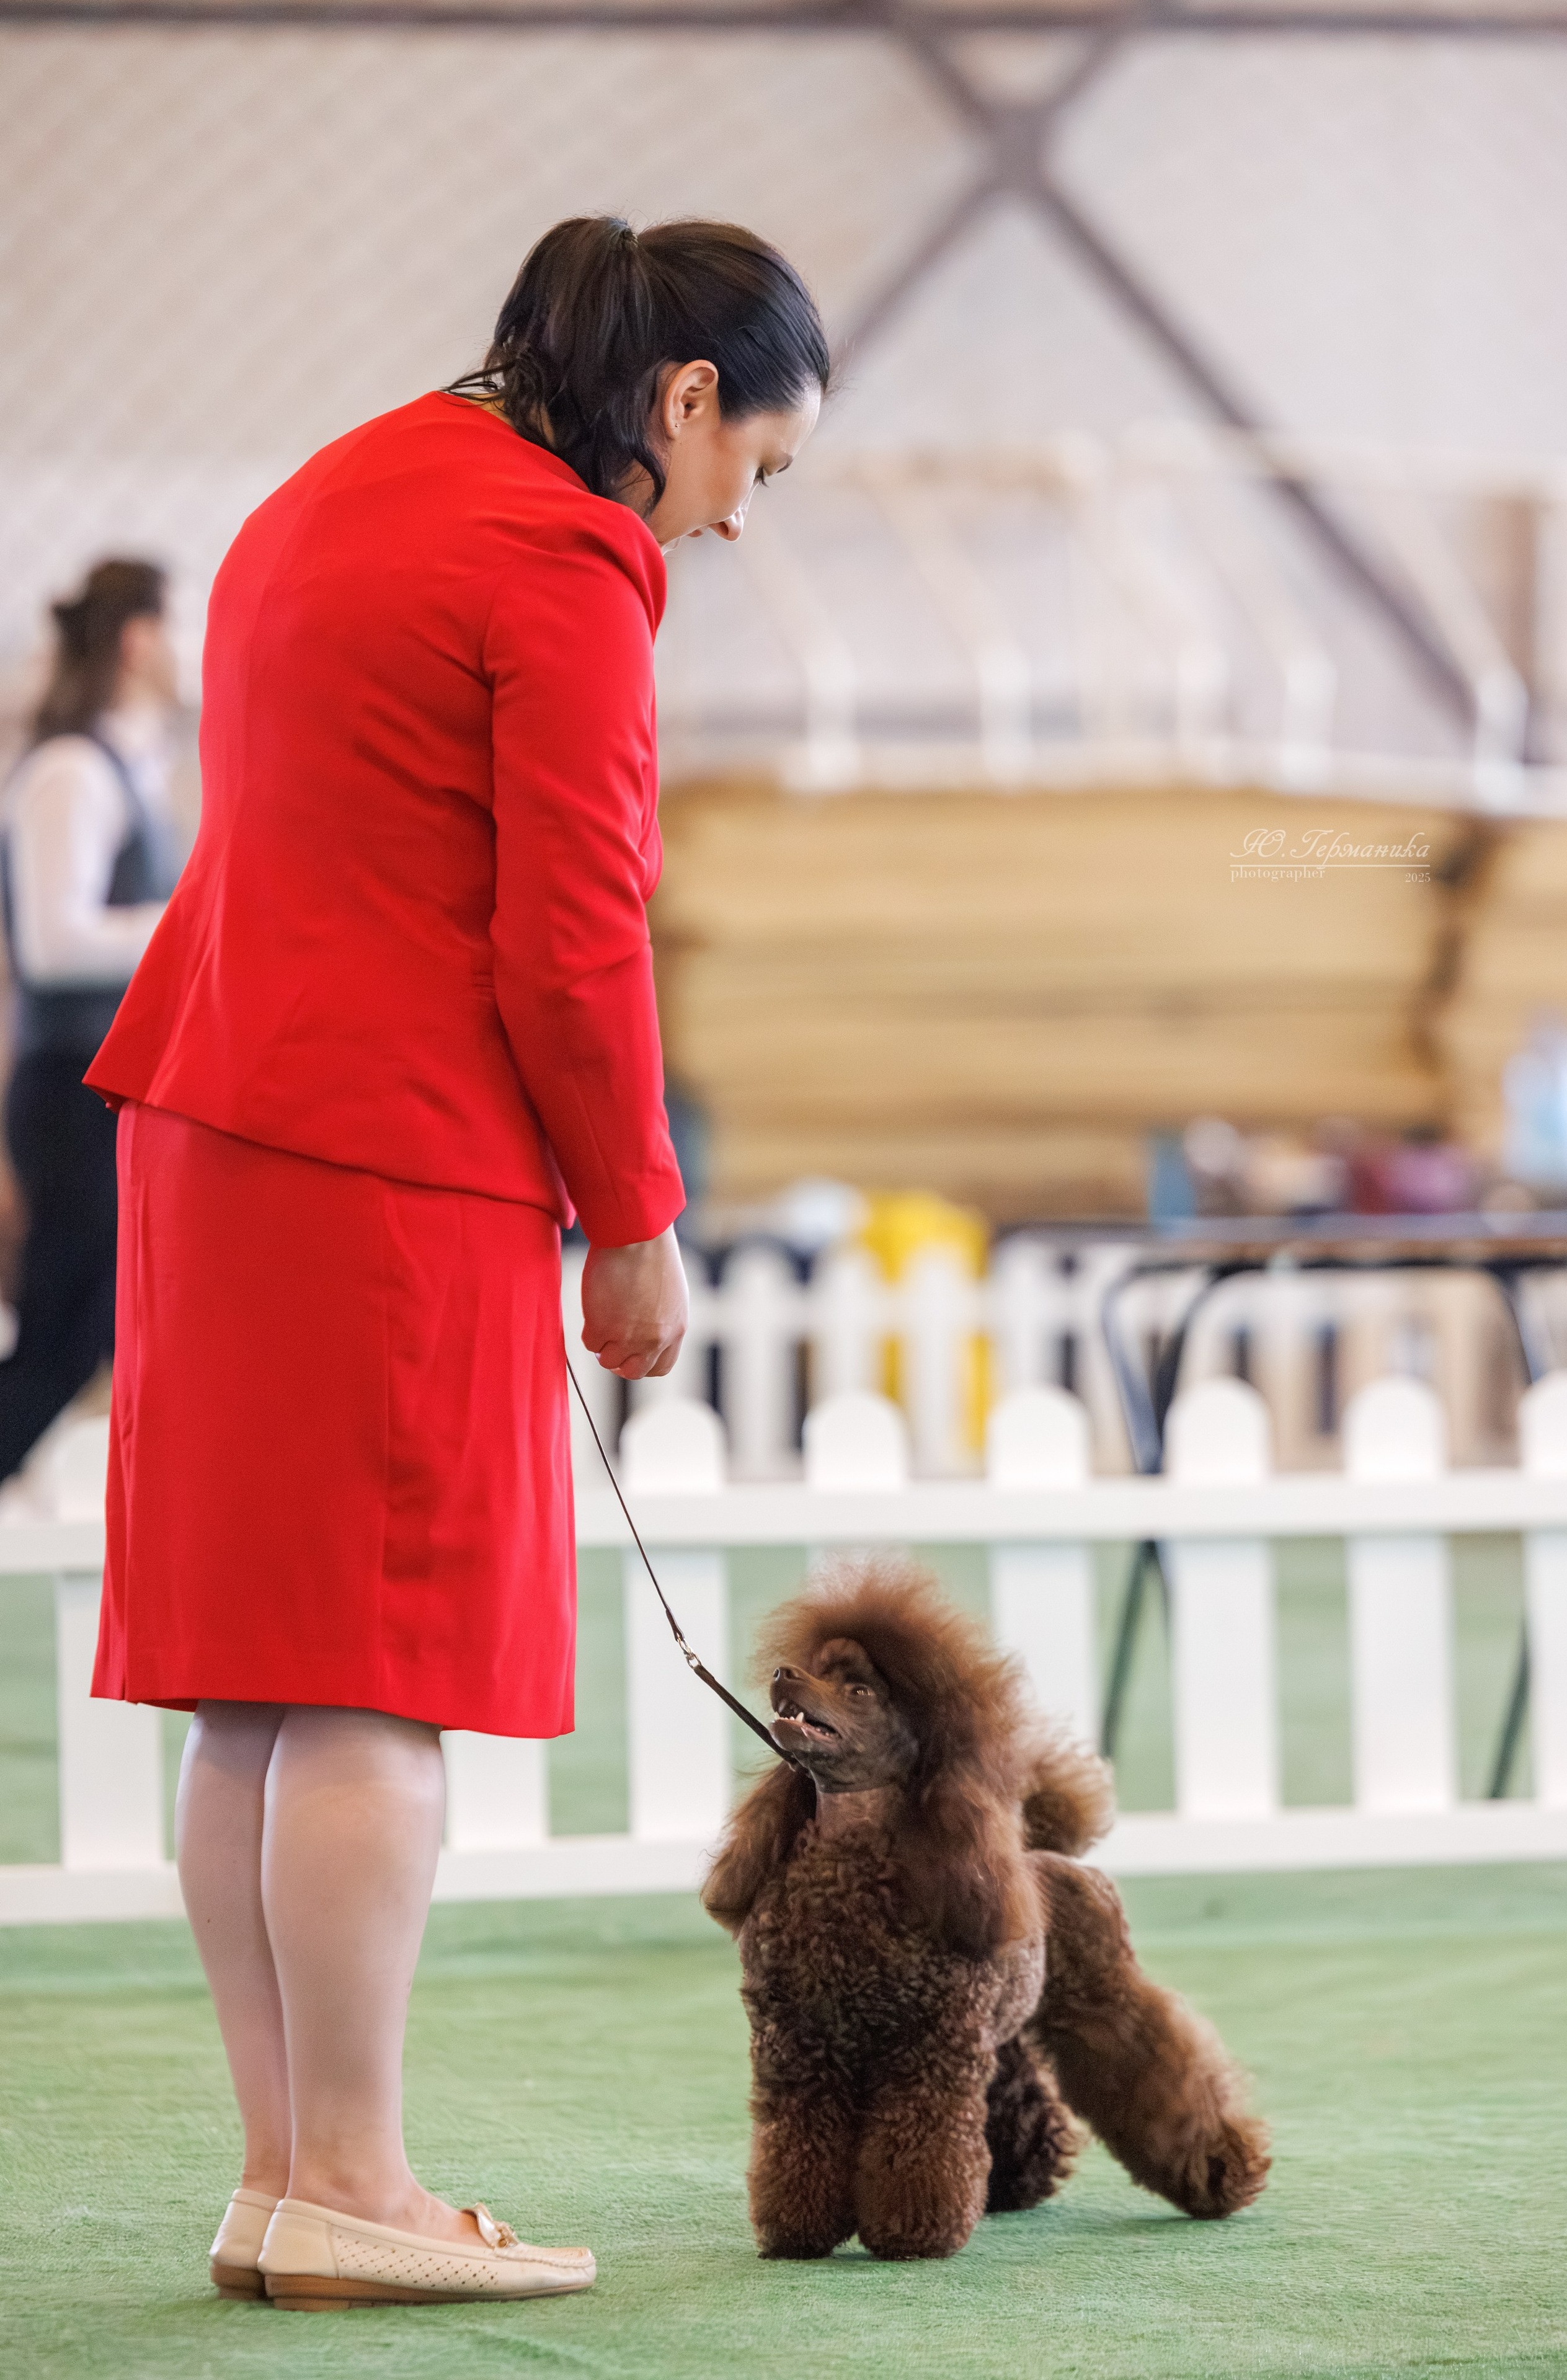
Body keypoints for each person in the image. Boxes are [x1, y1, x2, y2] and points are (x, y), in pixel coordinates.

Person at [85, 216, 827, 2311]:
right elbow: (573, 929)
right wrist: (635, 1208)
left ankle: (282, 2176)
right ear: (682, 403)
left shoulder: (341, 479)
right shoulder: (567, 558)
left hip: (212, 1118)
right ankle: (360, 2179)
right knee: (377, 1686)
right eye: (754, 468)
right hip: (384, 1149)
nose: (735, 522)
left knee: (253, 1691)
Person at [0, 559, 180, 1485]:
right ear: (139, 639)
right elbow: (53, 940)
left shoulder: (118, 767)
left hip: (94, 1087)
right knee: (60, 1344)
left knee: (98, 1328)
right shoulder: (72, 769)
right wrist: (196, 922)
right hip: (68, 1088)